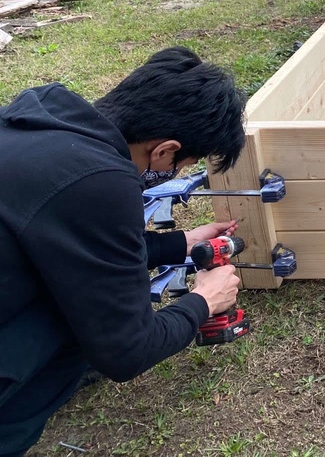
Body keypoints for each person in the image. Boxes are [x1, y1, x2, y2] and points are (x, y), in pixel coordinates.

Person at [0, 46, 248, 456]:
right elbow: (127, 350)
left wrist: (179, 243)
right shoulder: (101, 183)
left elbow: (65, 238)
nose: (175, 173)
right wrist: (205, 301)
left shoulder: (39, 122)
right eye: (183, 164)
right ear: (165, 150)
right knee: (77, 329)